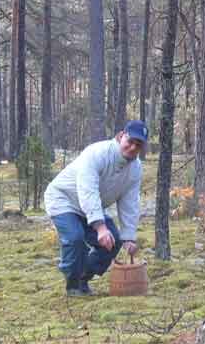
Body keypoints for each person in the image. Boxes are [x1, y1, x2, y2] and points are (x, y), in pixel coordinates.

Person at [44, 120, 147, 296]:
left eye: (138, 145)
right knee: (75, 239)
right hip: (64, 199)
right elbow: (87, 190)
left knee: (113, 241)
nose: (132, 148)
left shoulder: (135, 169)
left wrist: (129, 236)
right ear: (121, 136)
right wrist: (100, 227)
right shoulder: (97, 153)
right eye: (130, 142)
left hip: (90, 207)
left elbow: (130, 203)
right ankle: (73, 284)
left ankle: (83, 277)